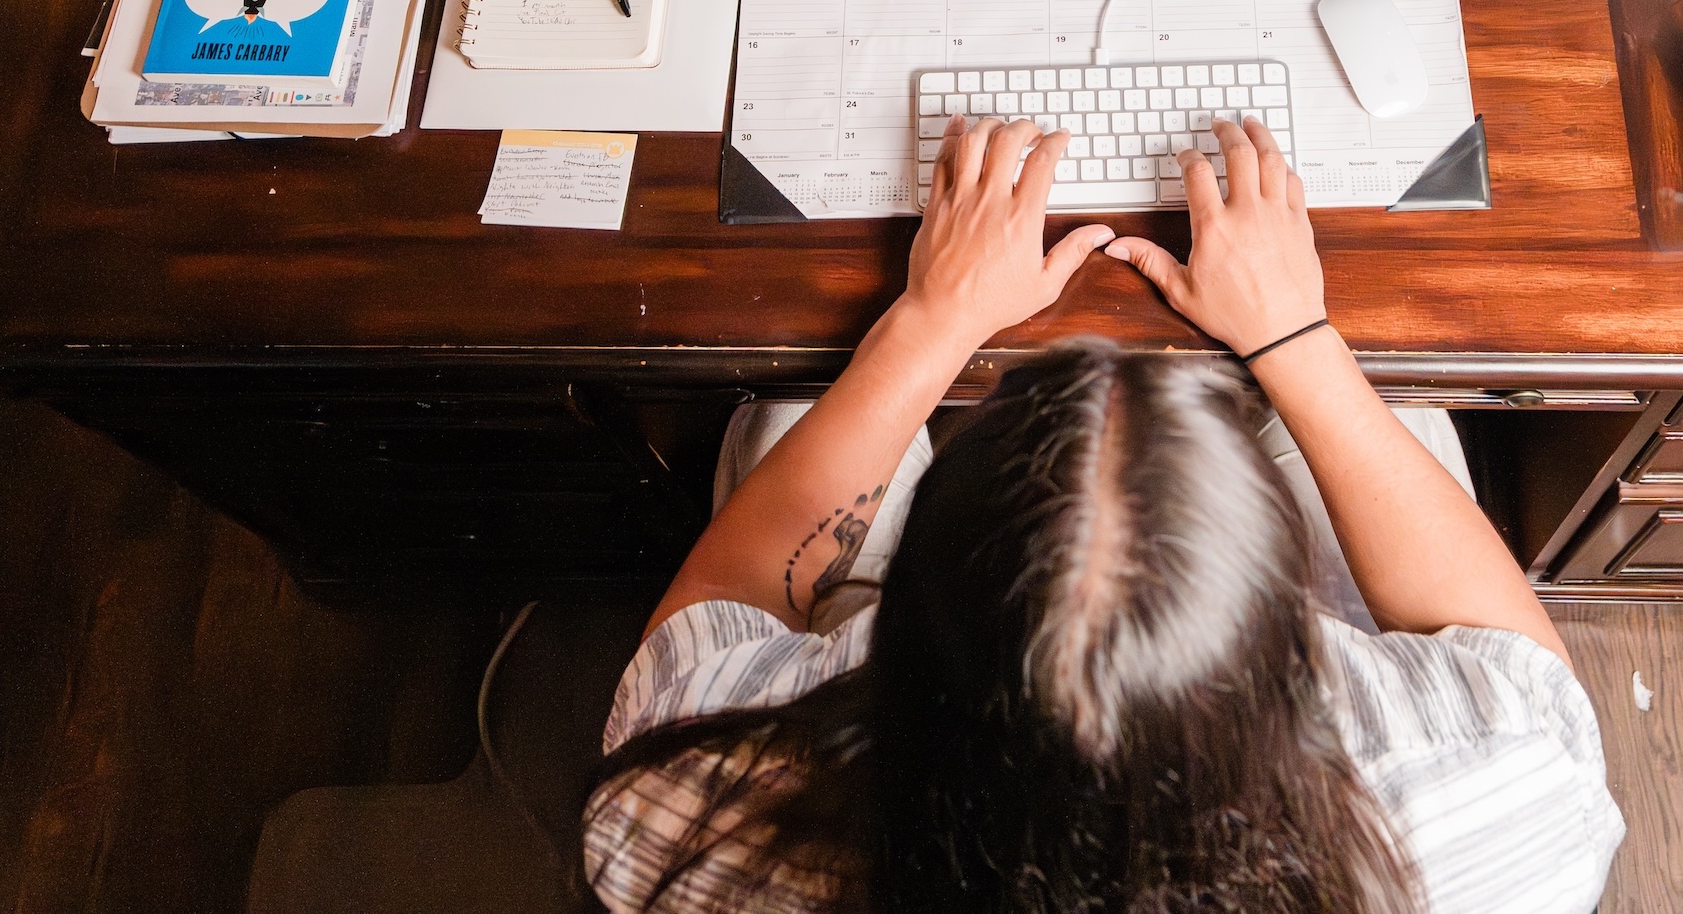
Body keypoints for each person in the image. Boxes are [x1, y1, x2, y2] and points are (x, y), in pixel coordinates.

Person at [584, 115, 1624, 913]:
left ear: (897, 619)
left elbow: (715, 603)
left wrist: (932, 322)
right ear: (1289, 625)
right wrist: (1296, 336)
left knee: (796, 399)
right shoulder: (1504, 793)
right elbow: (1500, 642)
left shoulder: (681, 820)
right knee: (1393, 404)